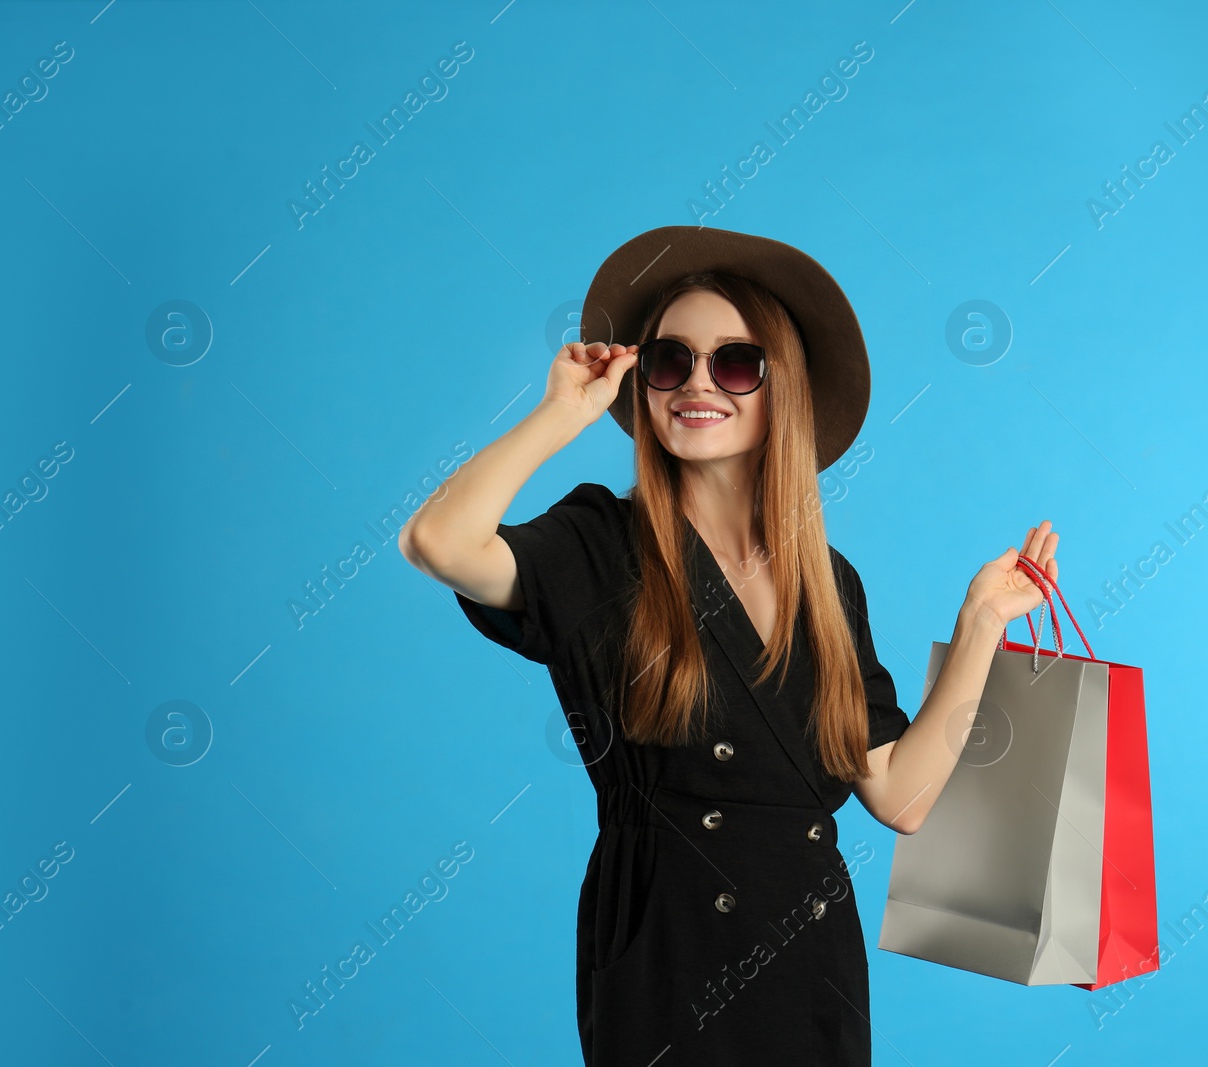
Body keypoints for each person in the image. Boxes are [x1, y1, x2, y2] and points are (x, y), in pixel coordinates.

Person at [399, 225, 1060, 1065]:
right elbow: (439, 542)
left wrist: (978, 626)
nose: (697, 384)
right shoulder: (602, 540)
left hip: (812, 958)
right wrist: (562, 412)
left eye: (736, 362)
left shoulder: (826, 579)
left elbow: (901, 796)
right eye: (670, 361)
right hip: (668, 950)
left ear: (780, 387)